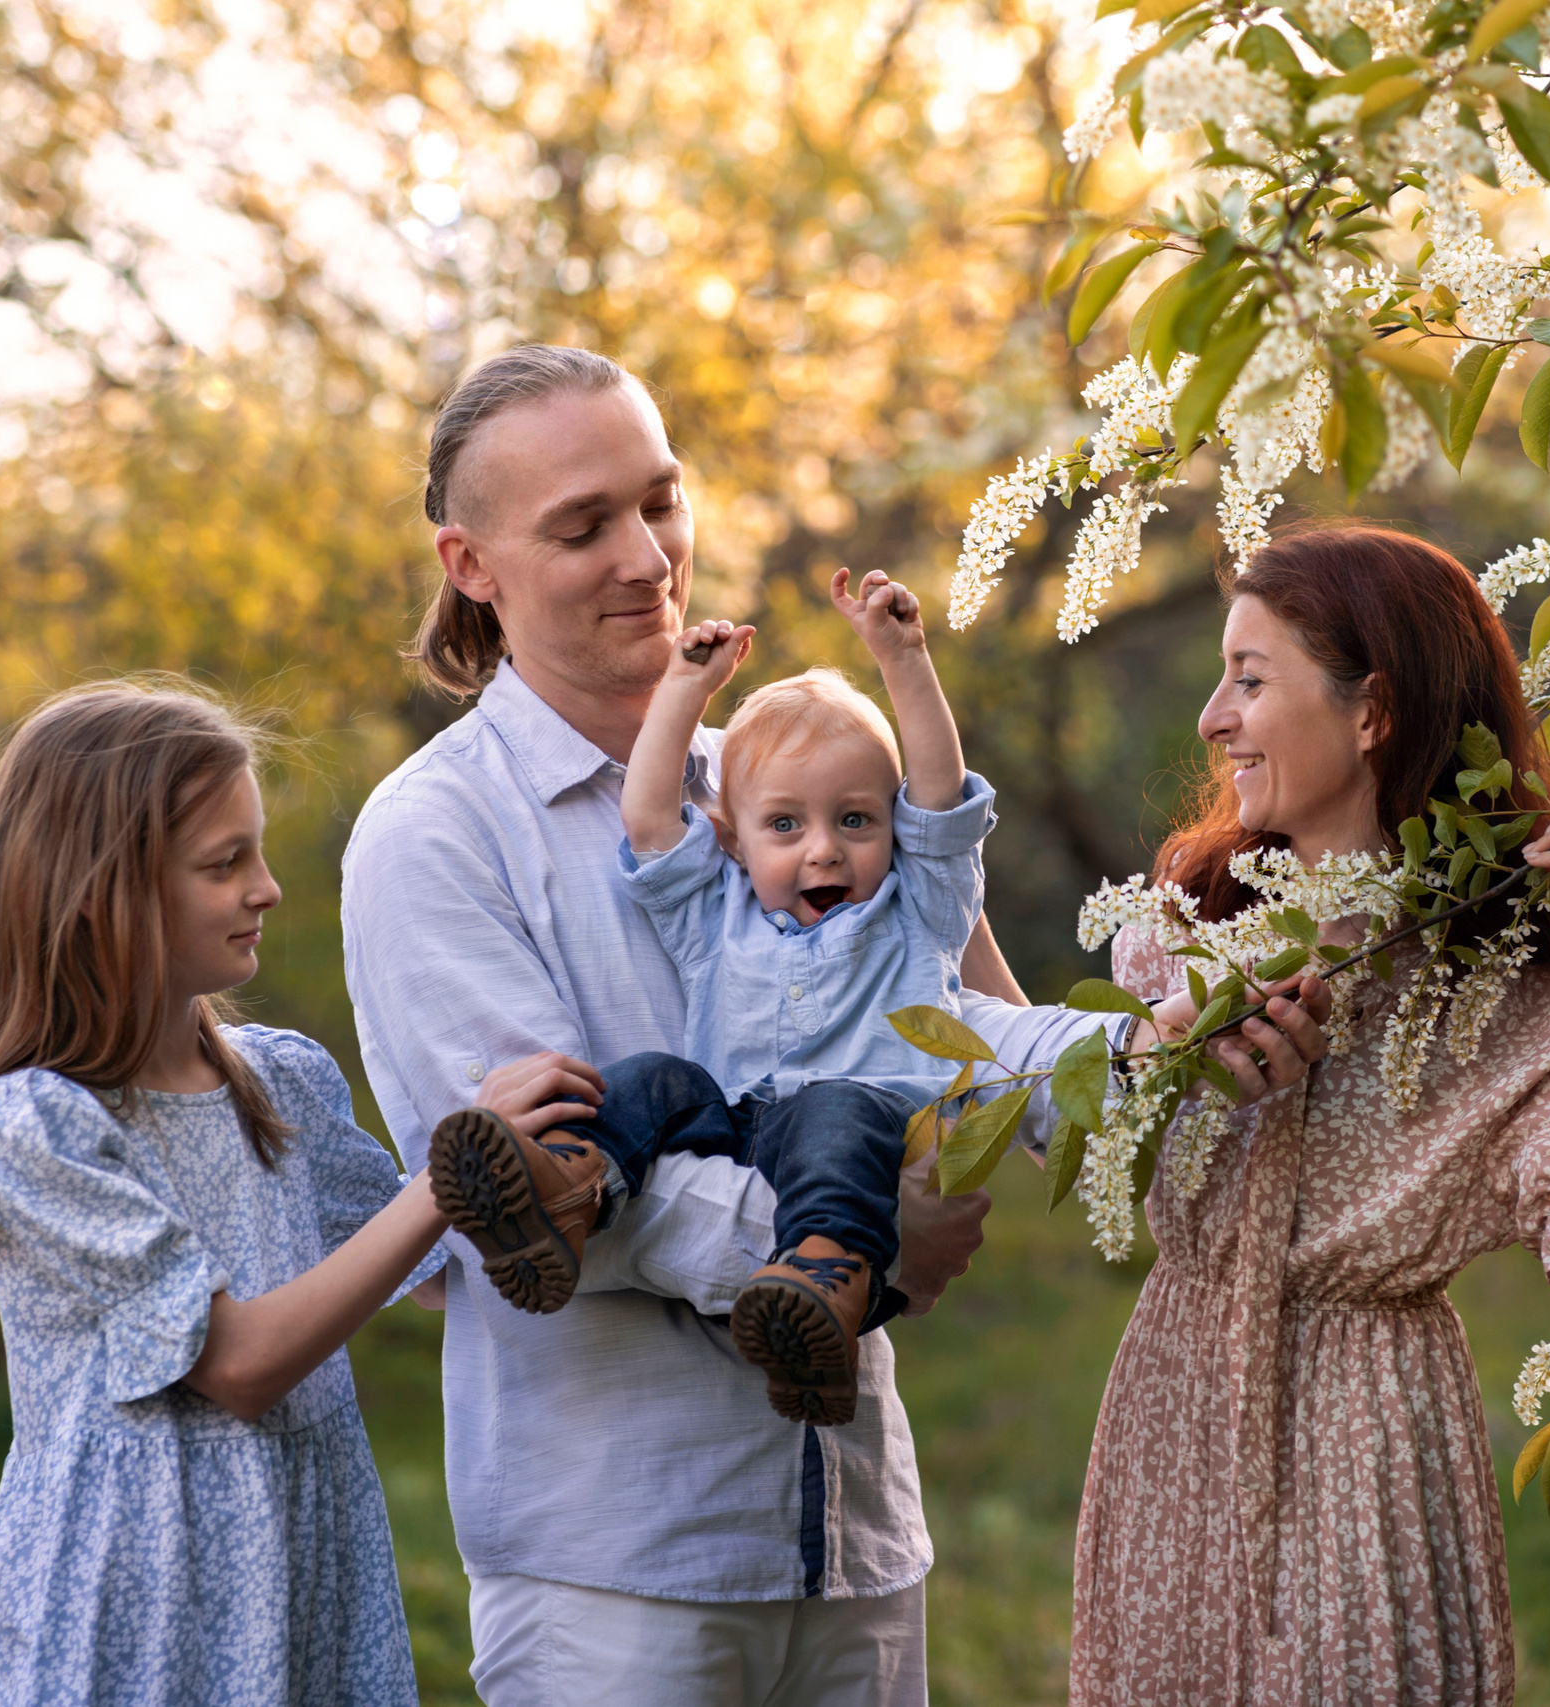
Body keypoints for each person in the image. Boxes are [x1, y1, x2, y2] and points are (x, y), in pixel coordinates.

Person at [341, 344, 1333, 1706]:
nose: (647, 555)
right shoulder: (435, 832)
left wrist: (1171, 1042)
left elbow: (968, 1025)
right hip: (622, 1551)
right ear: (471, 563)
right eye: (582, 526)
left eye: (661, 499)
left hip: (852, 1528)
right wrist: (873, 1239)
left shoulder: (795, 765)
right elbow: (548, 1176)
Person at [1065, 524, 1550, 1707]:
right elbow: (1043, 1099)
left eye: (1250, 680)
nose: (1211, 716)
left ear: (1371, 713)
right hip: (1173, 1419)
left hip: (1367, 1451)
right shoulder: (1184, 930)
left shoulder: (1492, 995)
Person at [0, 682, 579, 1704]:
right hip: (131, 1605)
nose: (266, 887)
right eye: (225, 864)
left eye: (256, 852)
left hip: (303, 1563)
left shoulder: (284, 1084)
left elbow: (442, 1272)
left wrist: (563, 1168)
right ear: (103, 895)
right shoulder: (34, 1123)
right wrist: (453, 1172)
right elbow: (240, 1366)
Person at [429, 567, 997, 1426]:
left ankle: (819, 1288)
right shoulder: (717, 915)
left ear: (894, 825)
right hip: (736, 1123)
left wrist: (904, 656)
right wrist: (686, 690)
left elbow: (942, 797)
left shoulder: (916, 908)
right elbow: (651, 816)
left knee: (835, 1116)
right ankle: (567, 1187)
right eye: (785, 824)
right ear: (731, 838)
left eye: (855, 820)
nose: (824, 853)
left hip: (862, 1138)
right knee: (653, 1078)